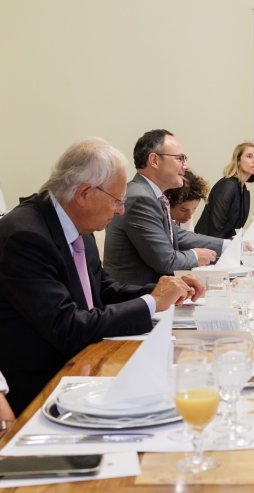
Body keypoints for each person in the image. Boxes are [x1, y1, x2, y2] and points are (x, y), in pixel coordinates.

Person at [0, 138, 204, 415]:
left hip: (85, 367)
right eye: (118, 200)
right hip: (44, 392)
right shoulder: (25, 237)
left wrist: (164, 289)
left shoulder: (74, 223)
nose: (120, 210)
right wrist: (152, 302)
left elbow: (103, 290)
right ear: (84, 194)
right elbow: (68, 326)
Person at [104, 129, 226, 286]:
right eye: (180, 159)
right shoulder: (140, 198)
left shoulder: (150, 194)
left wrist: (227, 246)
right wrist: (195, 256)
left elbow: (178, 236)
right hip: (136, 299)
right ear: (154, 160)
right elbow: (166, 261)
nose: (186, 166)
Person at [195, 142, 254, 239]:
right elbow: (216, 229)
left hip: (222, 244)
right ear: (238, 161)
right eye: (249, 156)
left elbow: (234, 229)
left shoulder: (243, 189)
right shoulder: (227, 186)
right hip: (206, 246)